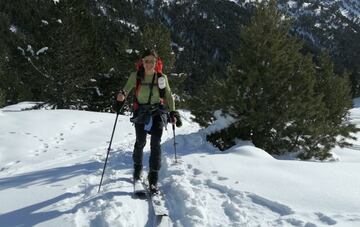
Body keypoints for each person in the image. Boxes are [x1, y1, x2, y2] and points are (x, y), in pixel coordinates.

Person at [116, 49, 181, 193]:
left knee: (155, 143)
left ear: (156, 62)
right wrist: (122, 95)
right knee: (140, 142)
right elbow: (126, 89)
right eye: (146, 61)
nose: (149, 63)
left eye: (152, 61)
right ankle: (137, 168)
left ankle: (153, 179)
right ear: (142, 62)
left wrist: (173, 112)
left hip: (157, 112)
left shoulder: (161, 78)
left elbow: (169, 96)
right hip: (141, 112)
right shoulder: (136, 76)